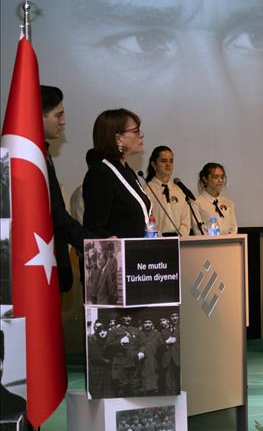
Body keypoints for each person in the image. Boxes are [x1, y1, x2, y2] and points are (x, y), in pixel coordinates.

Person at [41, 85, 88, 291]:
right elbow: (56, 214)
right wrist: (94, 243)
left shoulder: (43, 152)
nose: (63, 121)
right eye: (58, 115)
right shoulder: (28, 157)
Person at [83, 109, 151, 239]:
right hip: (119, 251)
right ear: (118, 138)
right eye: (136, 131)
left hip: (138, 250)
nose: (141, 135)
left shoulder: (127, 171)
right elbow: (94, 227)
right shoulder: (101, 173)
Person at [144, 146, 192, 236]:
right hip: (158, 240)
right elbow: (147, 220)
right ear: (154, 164)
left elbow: (186, 220)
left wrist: (181, 237)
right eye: (163, 161)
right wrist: (161, 238)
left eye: (171, 161)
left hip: (180, 239)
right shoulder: (147, 190)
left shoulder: (179, 190)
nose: (168, 164)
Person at [194, 162, 238, 234]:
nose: (220, 180)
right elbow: (198, 231)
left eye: (222, 177)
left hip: (228, 241)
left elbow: (233, 228)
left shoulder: (229, 202)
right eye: (215, 177)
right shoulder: (197, 203)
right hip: (207, 241)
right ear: (205, 179)